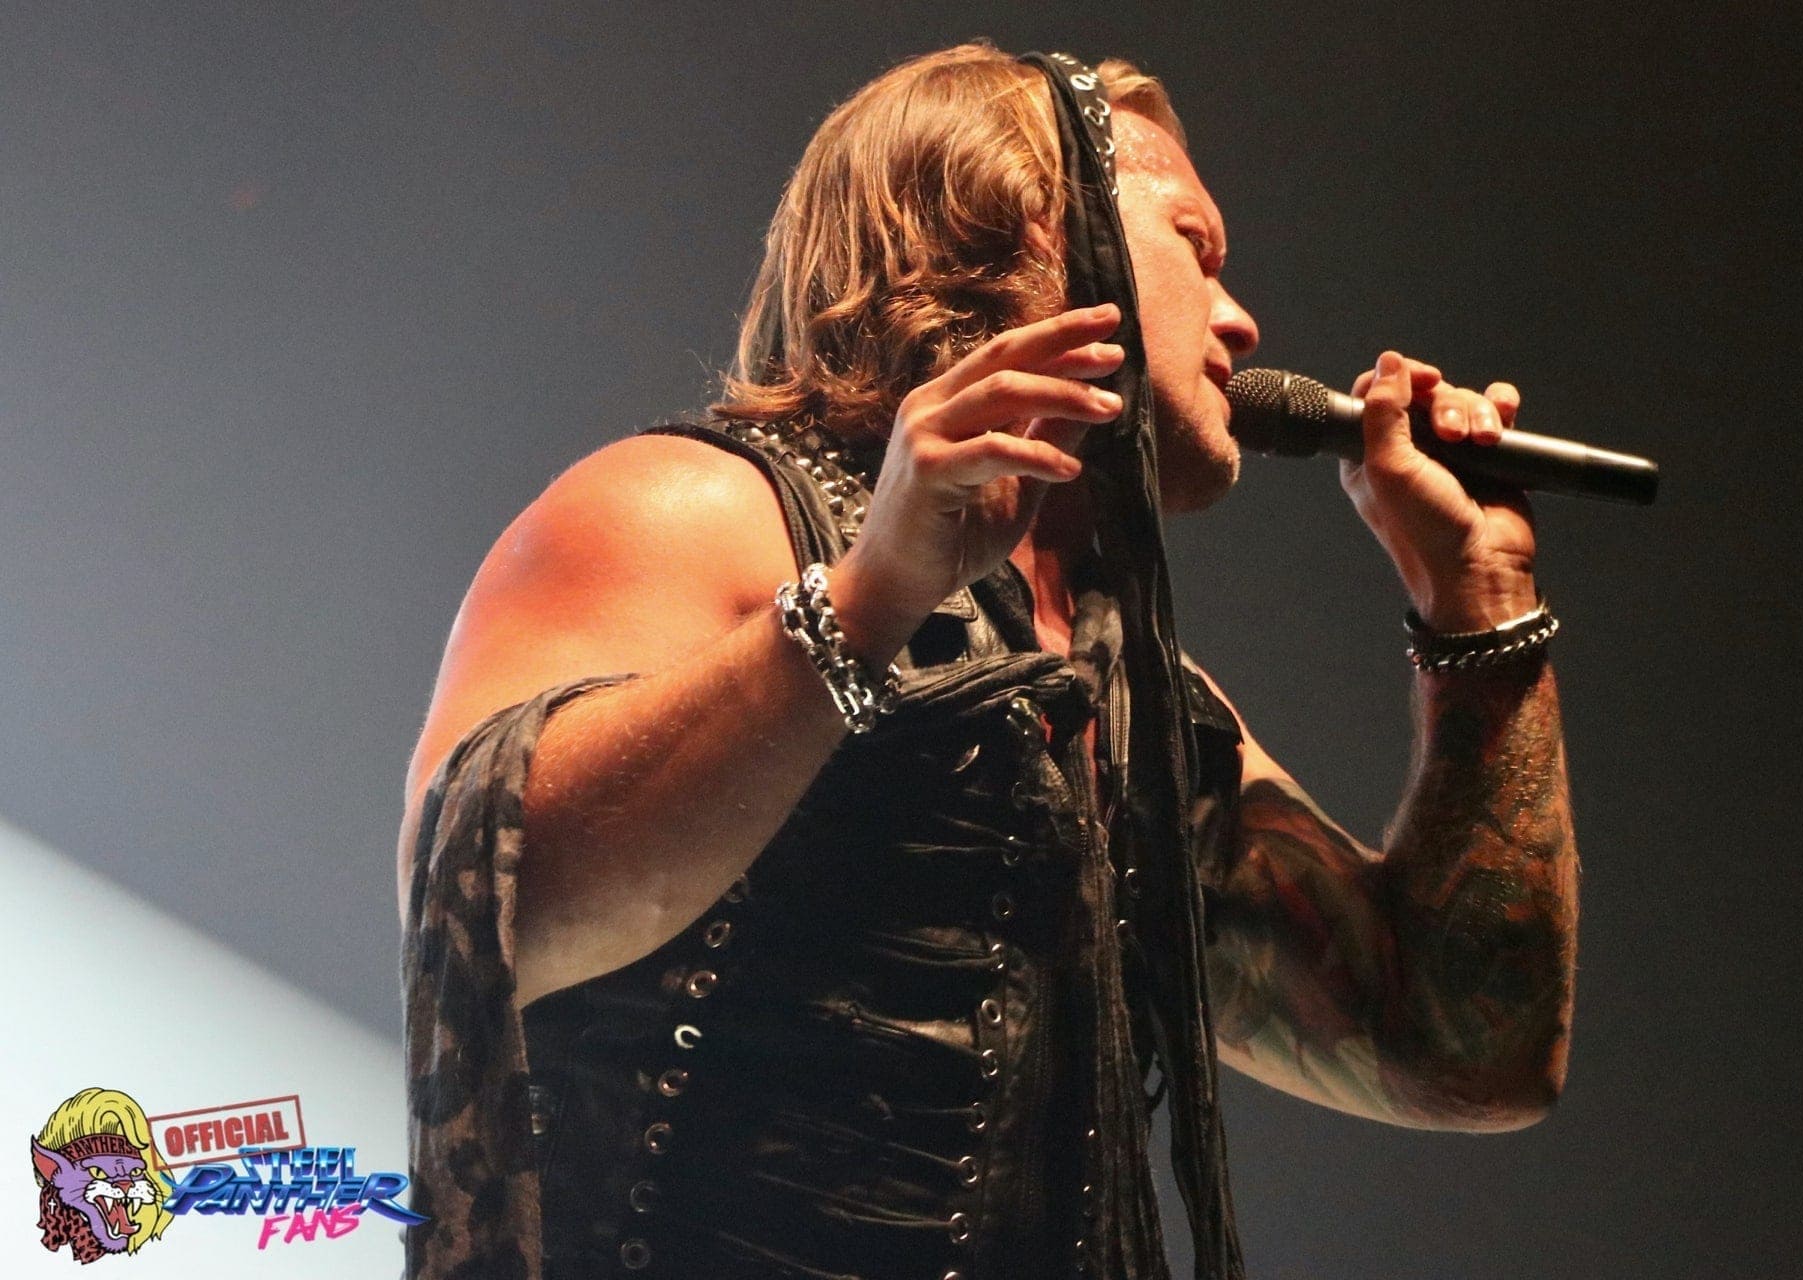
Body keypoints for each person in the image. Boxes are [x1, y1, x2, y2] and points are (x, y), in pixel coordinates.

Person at [397, 43, 1578, 1280]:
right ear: (1032, 234)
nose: (1240, 319)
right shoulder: (692, 510)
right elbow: (486, 915)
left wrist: (1481, 610)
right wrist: (869, 601)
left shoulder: (1142, 703)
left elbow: (1463, 1054)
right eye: (1196, 247)